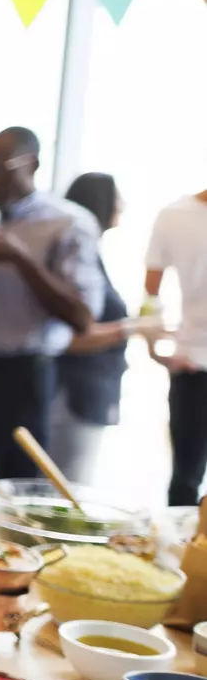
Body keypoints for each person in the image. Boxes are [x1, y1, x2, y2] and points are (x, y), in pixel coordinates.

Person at [0, 126, 102, 502]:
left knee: (18, 497)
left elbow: (82, 316)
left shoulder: (68, 223)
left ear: (32, 164)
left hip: (25, 377)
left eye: (2, 168)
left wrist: (22, 261)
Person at [51, 174, 160, 485]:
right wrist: (132, 328)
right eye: (117, 197)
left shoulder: (92, 256)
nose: (123, 205)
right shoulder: (76, 258)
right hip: (73, 394)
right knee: (64, 492)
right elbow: (67, 338)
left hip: (88, 394)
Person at [144, 185, 207, 506]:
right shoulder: (175, 215)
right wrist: (155, 347)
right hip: (194, 365)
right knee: (186, 479)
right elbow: (150, 294)